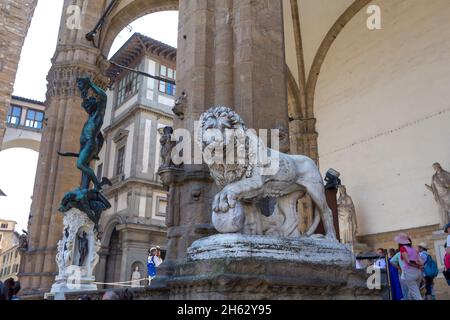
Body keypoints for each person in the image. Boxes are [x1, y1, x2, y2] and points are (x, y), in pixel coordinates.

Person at [394, 233, 423, 300]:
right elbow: (421, 263)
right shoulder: (414, 249)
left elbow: (408, 261)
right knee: (412, 294)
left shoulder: (402, 248)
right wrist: (418, 266)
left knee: (416, 295)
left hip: (409, 272)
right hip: (418, 272)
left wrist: (415, 265)